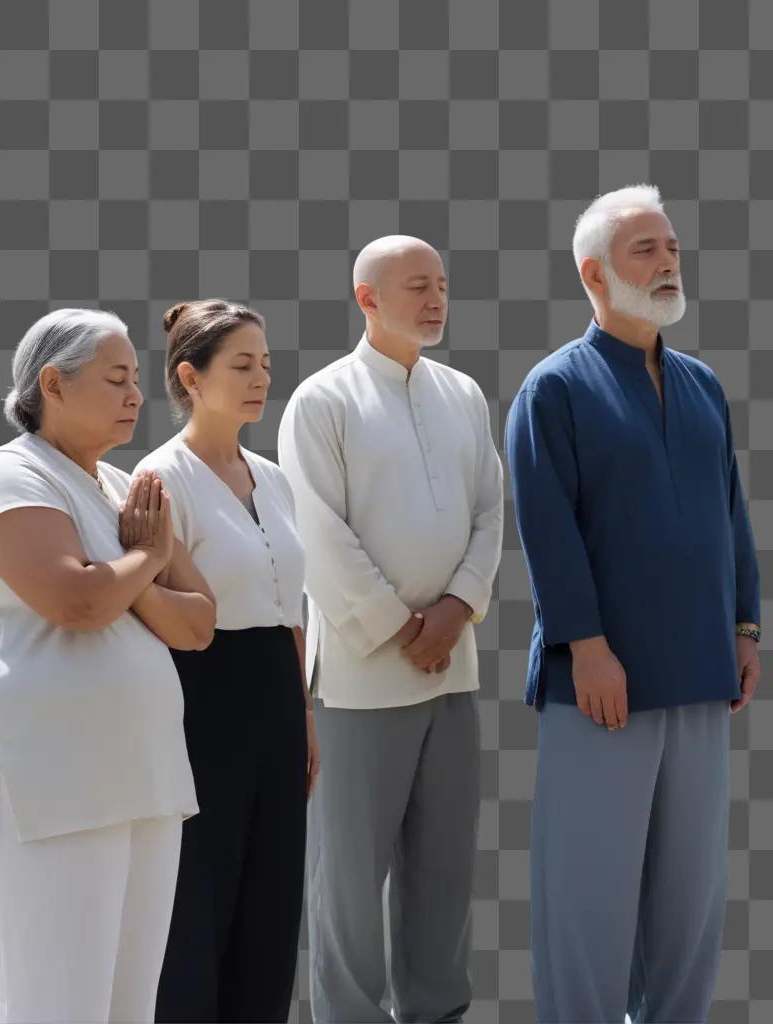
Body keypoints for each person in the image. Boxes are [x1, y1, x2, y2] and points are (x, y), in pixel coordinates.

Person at [505, 184, 762, 1023]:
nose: (667, 263)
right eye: (644, 249)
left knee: (689, 906)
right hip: (602, 686)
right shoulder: (554, 389)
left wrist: (747, 626)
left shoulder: (700, 385)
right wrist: (586, 644)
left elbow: (729, 512)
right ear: (593, 272)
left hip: (699, 670)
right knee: (590, 900)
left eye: (672, 248)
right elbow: (547, 529)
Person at [0, 308, 215, 1024]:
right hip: (43, 779)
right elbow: (74, 602)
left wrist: (120, 576)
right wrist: (144, 561)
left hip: (138, 778)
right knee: (50, 1003)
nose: (135, 395)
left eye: (136, 381)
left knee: (126, 1007)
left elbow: (200, 622)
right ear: (52, 384)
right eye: (116, 378)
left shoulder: (127, 491)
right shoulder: (10, 475)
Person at [278, 235, 504, 1023]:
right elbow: (319, 533)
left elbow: (489, 513)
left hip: (454, 667)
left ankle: (438, 1010)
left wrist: (455, 612)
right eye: (417, 285)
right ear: (366, 296)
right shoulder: (321, 400)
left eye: (442, 283)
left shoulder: (465, 395)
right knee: (348, 874)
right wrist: (398, 626)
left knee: (443, 867)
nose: (436, 298)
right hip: (360, 676)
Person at [134, 299, 317, 1023]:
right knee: (199, 895)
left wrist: (303, 711)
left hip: (277, 688)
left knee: (273, 894)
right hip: (201, 693)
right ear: (190, 375)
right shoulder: (159, 478)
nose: (259, 379)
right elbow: (155, 605)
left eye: (265, 365)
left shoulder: (272, 477)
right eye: (241, 365)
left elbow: (292, 605)